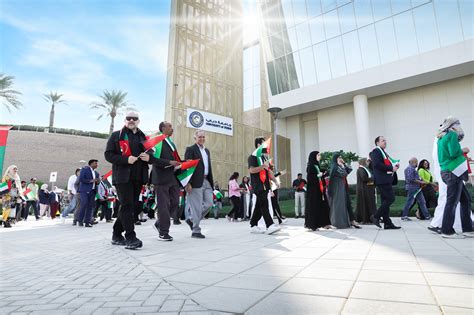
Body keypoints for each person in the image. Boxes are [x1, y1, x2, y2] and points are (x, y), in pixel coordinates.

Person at [105, 112, 149, 249]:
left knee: (130, 206)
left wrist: (148, 157)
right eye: (128, 118)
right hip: (122, 177)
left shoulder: (144, 137)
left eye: (134, 118)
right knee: (127, 205)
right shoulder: (116, 135)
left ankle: (117, 234)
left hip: (138, 177)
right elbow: (108, 155)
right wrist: (126, 159)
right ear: (125, 121)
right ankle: (131, 237)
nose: (131, 120)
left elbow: (151, 154)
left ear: (138, 121)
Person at [436, 117, 473, 238]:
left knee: (465, 200)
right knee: (452, 202)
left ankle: (468, 228)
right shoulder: (452, 135)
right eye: (458, 123)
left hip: (447, 171)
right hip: (453, 172)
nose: (459, 125)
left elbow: (447, 155)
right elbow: (453, 153)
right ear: (452, 125)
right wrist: (464, 150)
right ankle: (447, 231)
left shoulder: (441, 138)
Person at [146, 121, 181, 242]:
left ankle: (159, 223)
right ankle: (163, 232)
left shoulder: (171, 143)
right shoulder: (157, 141)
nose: (172, 128)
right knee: (163, 205)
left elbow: (175, 160)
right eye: (170, 126)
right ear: (163, 128)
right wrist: (169, 163)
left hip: (172, 177)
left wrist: (184, 162)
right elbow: (151, 159)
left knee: (176, 202)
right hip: (160, 178)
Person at [184, 130, 214, 239]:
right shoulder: (190, 149)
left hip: (207, 181)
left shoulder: (207, 151)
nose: (202, 139)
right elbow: (187, 167)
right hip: (195, 181)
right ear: (195, 138)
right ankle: (196, 231)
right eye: (200, 137)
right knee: (196, 207)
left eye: (203, 137)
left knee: (209, 203)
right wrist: (188, 183)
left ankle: (191, 219)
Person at [248, 137, 280, 234]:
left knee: (259, 206)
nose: (266, 146)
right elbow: (251, 170)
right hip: (258, 185)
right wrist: (262, 166)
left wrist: (275, 181)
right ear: (258, 145)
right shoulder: (252, 157)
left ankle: (253, 225)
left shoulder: (264, 157)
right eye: (263, 144)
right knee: (264, 204)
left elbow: (269, 171)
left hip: (265, 185)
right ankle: (269, 225)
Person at [369, 136, 401, 229]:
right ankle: (375, 216)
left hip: (385, 179)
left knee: (385, 201)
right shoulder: (376, 151)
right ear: (377, 143)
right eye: (383, 141)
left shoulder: (383, 152)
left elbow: (385, 163)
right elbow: (377, 164)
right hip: (382, 180)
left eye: (385, 141)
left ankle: (387, 223)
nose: (385, 142)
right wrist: (391, 168)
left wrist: (394, 166)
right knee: (390, 199)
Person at [328, 153, 360, 229]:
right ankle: (339, 222)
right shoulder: (335, 167)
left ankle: (351, 221)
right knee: (339, 205)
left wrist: (344, 163)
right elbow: (344, 174)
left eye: (341, 157)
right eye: (339, 157)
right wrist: (342, 166)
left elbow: (349, 170)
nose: (340, 159)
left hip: (343, 188)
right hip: (338, 189)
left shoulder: (339, 166)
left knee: (348, 204)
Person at [305, 151, 332, 230]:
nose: (320, 156)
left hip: (320, 189)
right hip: (314, 191)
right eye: (318, 155)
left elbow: (321, 176)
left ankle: (325, 223)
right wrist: (317, 175)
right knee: (315, 206)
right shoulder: (311, 166)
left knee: (323, 205)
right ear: (314, 156)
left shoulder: (317, 165)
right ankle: (313, 224)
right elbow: (310, 178)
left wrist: (324, 173)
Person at [77, 160, 100, 227]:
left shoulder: (96, 173)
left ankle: (87, 222)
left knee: (90, 207)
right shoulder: (84, 170)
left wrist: (98, 181)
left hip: (92, 191)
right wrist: (91, 181)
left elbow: (97, 183)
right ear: (91, 164)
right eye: (95, 163)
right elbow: (81, 179)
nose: (97, 165)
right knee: (84, 204)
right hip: (84, 190)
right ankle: (80, 220)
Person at [355, 158, 377, 224]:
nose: (368, 163)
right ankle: (365, 219)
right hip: (363, 190)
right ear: (363, 162)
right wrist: (372, 178)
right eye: (366, 161)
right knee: (364, 204)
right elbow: (364, 178)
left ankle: (370, 218)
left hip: (366, 189)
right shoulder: (361, 169)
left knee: (368, 204)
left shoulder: (364, 169)